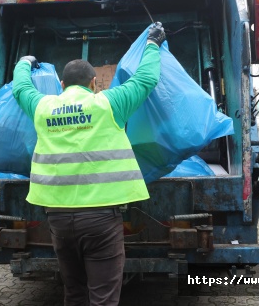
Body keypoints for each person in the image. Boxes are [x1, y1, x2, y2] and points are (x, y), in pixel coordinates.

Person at [12, 22, 165, 306]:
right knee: (103, 298)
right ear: (94, 83)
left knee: (74, 293)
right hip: (100, 221)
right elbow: (145, 79)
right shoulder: (108, 103)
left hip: (58, 219)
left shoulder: (43, 107)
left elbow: (20, 89)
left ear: (62, 85)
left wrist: (24, 63)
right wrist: (153, 44)